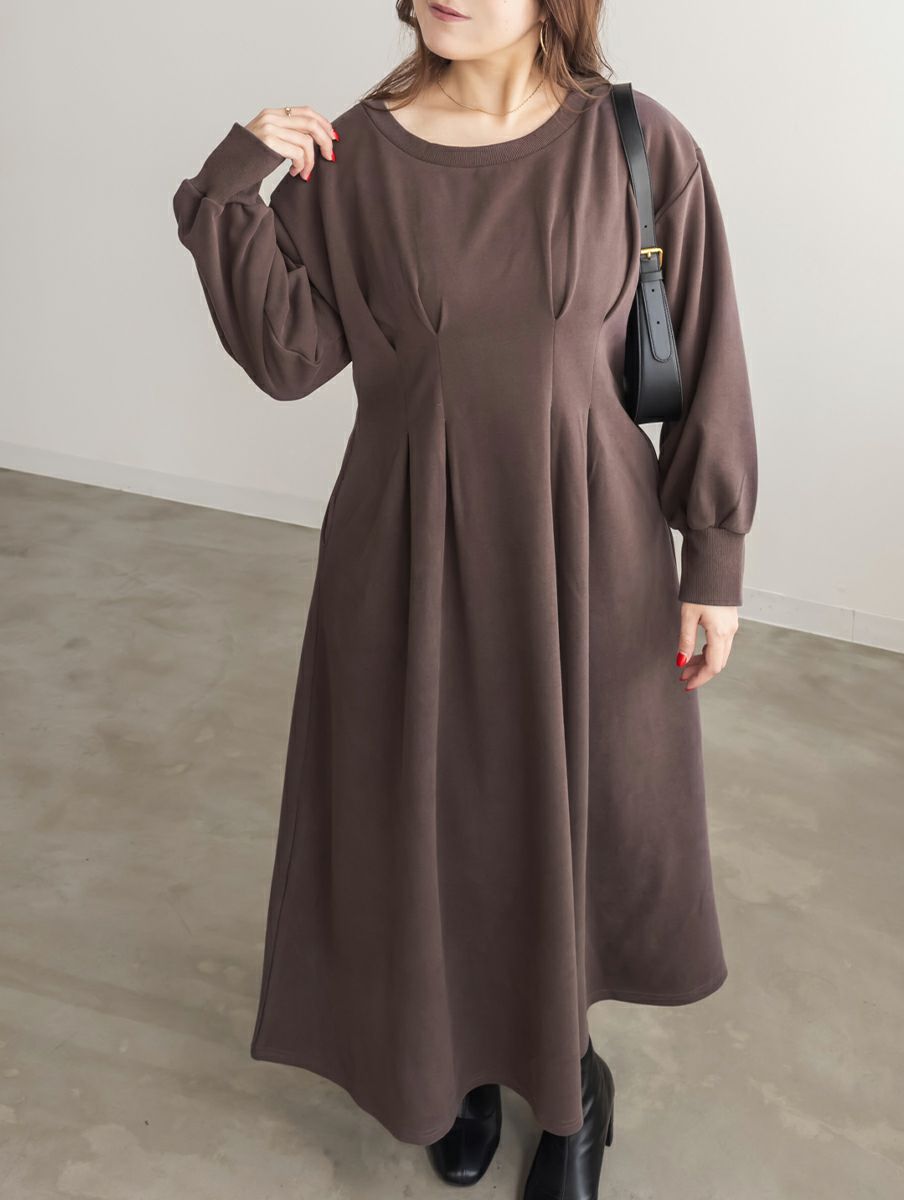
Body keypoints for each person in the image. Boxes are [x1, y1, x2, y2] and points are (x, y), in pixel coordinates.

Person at [171, 1, 757, 1195]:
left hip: (587, 547)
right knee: (430, 822)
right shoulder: (354, 155)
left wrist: (715, 556)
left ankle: (569, 1091)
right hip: (404, 551)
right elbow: (290, 359)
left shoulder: (637, 143)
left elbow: (705, 349)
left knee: (571, 820)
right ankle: (457, 1066)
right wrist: (230, 187)